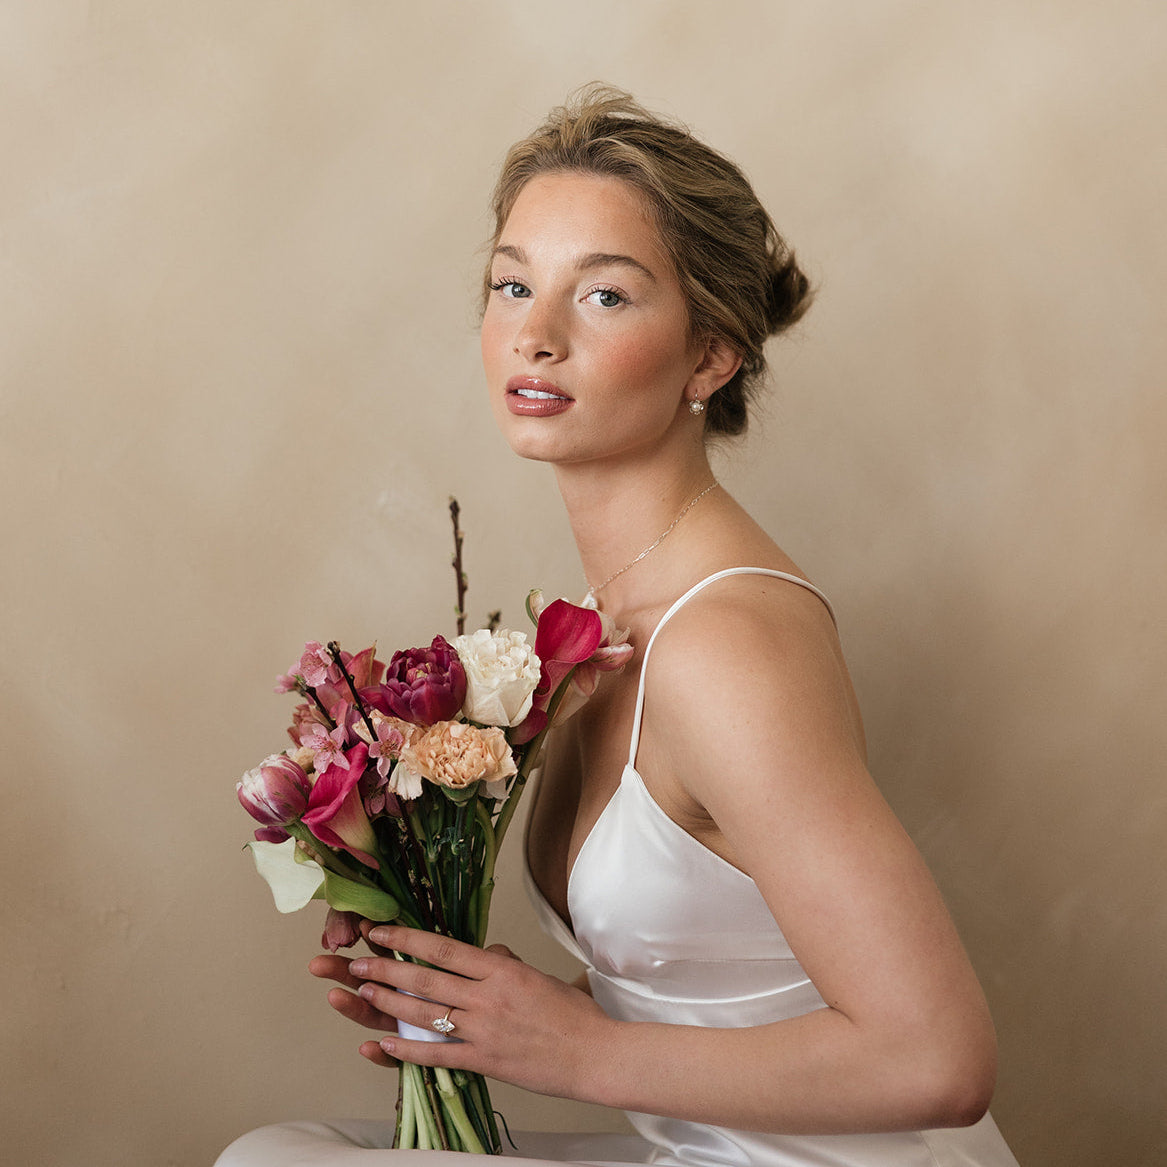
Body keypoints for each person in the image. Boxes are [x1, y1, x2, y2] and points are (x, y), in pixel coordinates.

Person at [216, 85, 1020, 1166]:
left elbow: (940, 1061)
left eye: (603, 297)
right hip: (703, 1152)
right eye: (512, 284)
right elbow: (711, 978)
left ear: (709, 357)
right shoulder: (603, 620)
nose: (534, 336)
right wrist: (471, 1001)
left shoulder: (728, 642)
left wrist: (575, 1049)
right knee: (289, 1145)